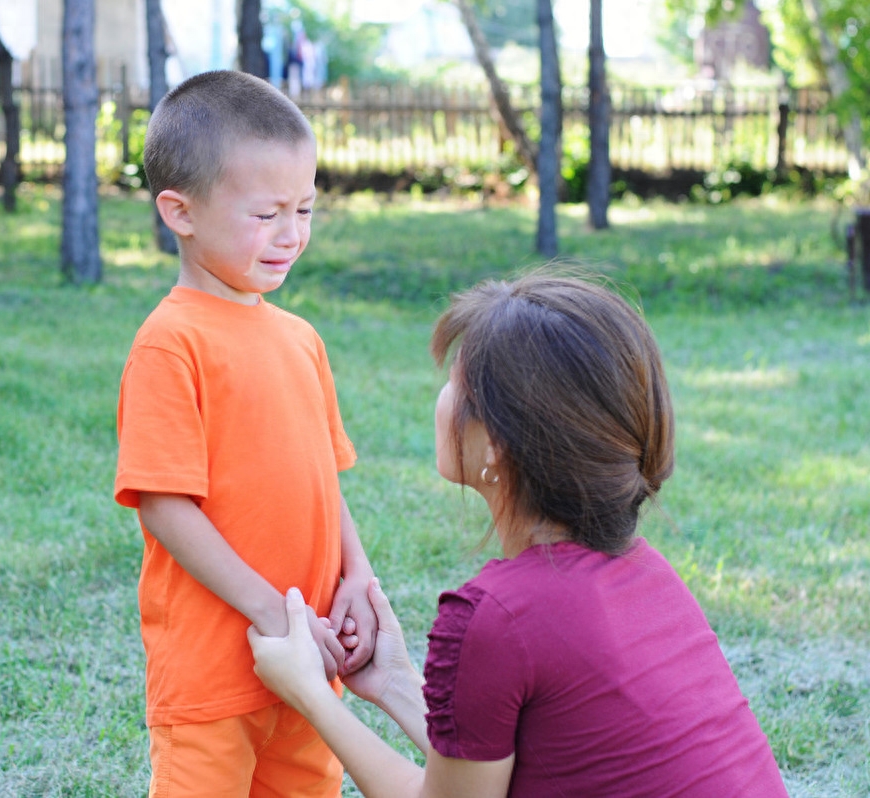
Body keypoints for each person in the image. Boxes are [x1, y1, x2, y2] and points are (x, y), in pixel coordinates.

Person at [249, 274, 790, 798]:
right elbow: (494, 772)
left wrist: (311, 694)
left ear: (497, 446)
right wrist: (393, 681)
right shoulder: (645, 571)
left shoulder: (496, 618)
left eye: (456, 385)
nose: (443, 398)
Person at [113, 69, 377, 798]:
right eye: (266, 215)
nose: (291, 234)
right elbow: (164, 507)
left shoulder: (300, 339)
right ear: (181, 212)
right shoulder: (171, 344)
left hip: (308, 664)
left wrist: (359, 577)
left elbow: (326, 479)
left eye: (306, 208)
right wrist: (272, 611)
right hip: (215, 673)